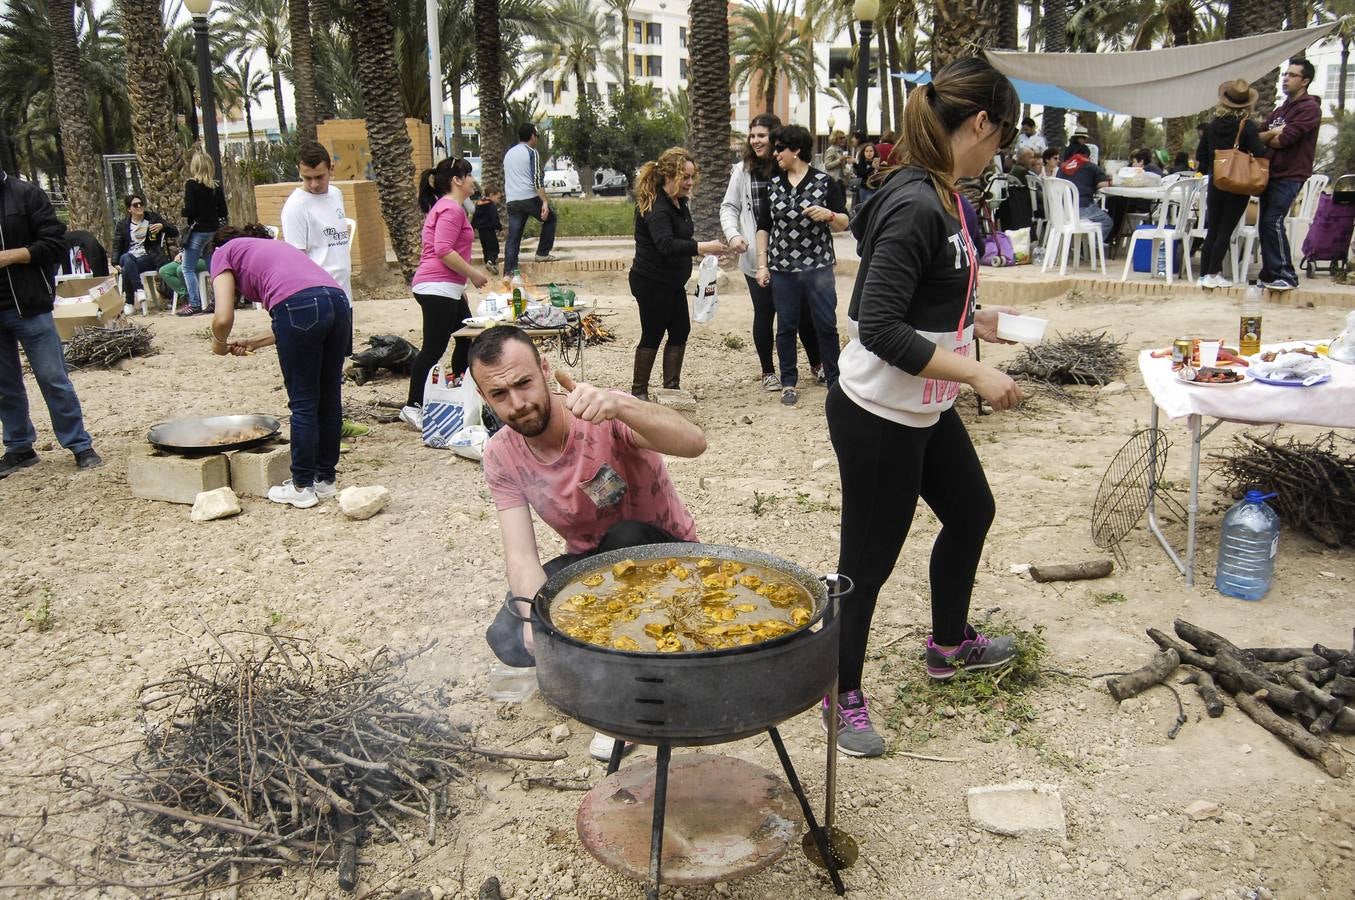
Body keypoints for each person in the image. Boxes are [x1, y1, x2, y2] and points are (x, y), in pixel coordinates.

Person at [826, 58, 1023, 757]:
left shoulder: (947, 197)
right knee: (867, 561)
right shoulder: (915, 203)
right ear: (979, 123)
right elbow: (876, 324)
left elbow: (925, 297)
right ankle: (837, 689)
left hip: (923, 404)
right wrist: (974, 372)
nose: (998, 152)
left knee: (970, 510)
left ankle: (947, 646)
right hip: (879, 412)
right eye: (1001, 138)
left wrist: (976, 322)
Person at [472, 325, 706, 757]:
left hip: (668, 560)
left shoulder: (599, 412)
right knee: (508, 633)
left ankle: (632, 697)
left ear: (544, 370)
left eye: (524, 383)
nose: (518, 404)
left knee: (624, 539)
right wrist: (530, 625)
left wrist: (621, 406)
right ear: (485, 399)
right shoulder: (500, 454)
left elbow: (695, 443)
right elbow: (522, 555)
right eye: (500, 394)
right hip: (591, 567)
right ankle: (611, 662)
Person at [207, 225, 350, 509]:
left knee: (304, 403)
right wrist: (256, 342)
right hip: (339, 302)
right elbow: (310, 313)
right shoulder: (275, 248)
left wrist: (218, 343)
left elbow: (223, 317)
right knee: (329, 397)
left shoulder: (222, 252)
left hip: (301, 306)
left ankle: (301, 487)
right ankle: (325, 481)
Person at [0, 167, 103, 477]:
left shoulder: (25, 194)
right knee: (4, 386)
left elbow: (55, 244)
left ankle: (79, 444)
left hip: (29, 306)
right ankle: (19, 447)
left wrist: (9, 256)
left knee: (53, 377)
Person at [720, 113, 824, 393]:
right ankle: (768, 371)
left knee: (802, 313)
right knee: (765, 313)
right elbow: (729, 207)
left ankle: (817, 365)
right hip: (757, 256)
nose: (755, 141)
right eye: (752, 135)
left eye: (761, 135)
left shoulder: (789, 167)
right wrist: (734, 235)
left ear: (776, 137)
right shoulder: (743, 170)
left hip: (794, 256)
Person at [756, 125, 848, 406]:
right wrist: (762, 264)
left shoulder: (824, 182)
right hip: (782, 268)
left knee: (826, 324)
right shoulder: (772, 184)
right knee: (785, 326)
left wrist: (830, 215)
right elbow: (763, 226)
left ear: (796, 150)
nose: (775, 154)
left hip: (818, 267)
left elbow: (845, 221)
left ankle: (835, 380)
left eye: (780, 148)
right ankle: (788, 382)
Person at [400, 158, 491, 430]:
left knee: (467, 340)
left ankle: (459, 393)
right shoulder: (451, 209)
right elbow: (443, 249)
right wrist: (473, 274)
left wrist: (459, 288)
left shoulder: (449, 207)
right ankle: (413, 406)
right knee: (433, 348)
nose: (473, 180)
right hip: (436, 287)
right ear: (457, 179)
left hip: (446, 288)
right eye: (470, 175)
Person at [629, 147, 726, 398]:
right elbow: (666, 244)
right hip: (651, 281)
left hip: (671, 283)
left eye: (692, 177)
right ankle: (639, 392)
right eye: (686, 177)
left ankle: (671, 389)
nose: (690, 183)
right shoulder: (656, 206)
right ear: (669, 176)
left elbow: (681, 236)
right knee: (652, 334)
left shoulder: (679, 202)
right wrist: (703, 248)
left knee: (680, 331)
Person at [1256, 57, 1322, 292]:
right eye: (1285, 74)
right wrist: (1272, 133)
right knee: (1264, 224)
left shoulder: (1310, 109)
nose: (1286, 78)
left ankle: (1287, 274)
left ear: (1305, 81)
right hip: (1270, 173)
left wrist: (1272, 137)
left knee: (1272, 220)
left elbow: (1286, 139)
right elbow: (1258, 137)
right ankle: (1271, 274)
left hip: (1291, 174)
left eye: (1292, 75)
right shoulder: (1280, 111)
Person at [1198, 79, 1268, 290]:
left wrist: (1215, 165)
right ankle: (1213, 273)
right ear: (1247, 104)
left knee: (1213, 229)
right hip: (1237, 184)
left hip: (1216, 181)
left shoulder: (1212, 126)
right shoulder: (1246, 126)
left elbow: (1201, 154)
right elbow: (1260, 151)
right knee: (1225, 230)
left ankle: (1204, 274)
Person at [279, 141, 353, 303]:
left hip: (344, 292)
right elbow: (297, 259)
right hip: (318, 296)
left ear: (331, 169)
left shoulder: (335, 194)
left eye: (320, 177)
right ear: (299, 172)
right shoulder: (296, 206)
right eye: (307, 178)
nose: (314, 184)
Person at [502, 123, 559, 273]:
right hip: (528, 197)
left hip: (512, 200)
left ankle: (509, 271)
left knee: (514, 237)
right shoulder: (531, 152)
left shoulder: (509, 154)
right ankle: (542, 253)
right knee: (550, 218)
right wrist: (544, 202)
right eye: (536, 136)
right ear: (533, 136)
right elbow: (536, 179)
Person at [179, 146, 228, 315]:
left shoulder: (191, 185)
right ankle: (218, 301)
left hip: (198, 231)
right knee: (213, 268)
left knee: (187, 268)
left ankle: (194, 303)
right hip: (213, 231)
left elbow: (190, 210)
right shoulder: (216, 187)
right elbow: (223, 212)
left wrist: (184, 212)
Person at [112, 192, 177, 317]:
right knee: (126, 259)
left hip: (150, 257)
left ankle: (130, 302)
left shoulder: (152, 218)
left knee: (127, 267)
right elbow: (117, 245)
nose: (139, 207)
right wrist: (115, 262)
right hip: (131, 258)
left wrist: (162, 226)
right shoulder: (123, 225)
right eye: (135, 205)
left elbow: (174, 231)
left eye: (141, 204)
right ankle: (140, 290)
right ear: (129, 209)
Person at [1056, 137, 1113, 243]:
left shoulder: (1061, 168)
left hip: (1060, 211)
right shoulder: (1091, 166)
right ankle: (1092, 247)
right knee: (1106, 221)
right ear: (1087, 155)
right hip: (1081, 210)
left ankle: (1082, 246)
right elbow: (1103, 184)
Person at [472, 187, 503, 274]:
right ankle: (491, 262)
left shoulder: (478, 204)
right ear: (491, 195)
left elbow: (474, 217)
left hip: (481, 231)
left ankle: (487, 262)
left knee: (485, 248)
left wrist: (472, 227)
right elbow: (494, 218)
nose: (499, 200)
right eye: (498, 197)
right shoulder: (491, 205)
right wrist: (499, 228)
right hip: (489, 230)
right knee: (494, 248)